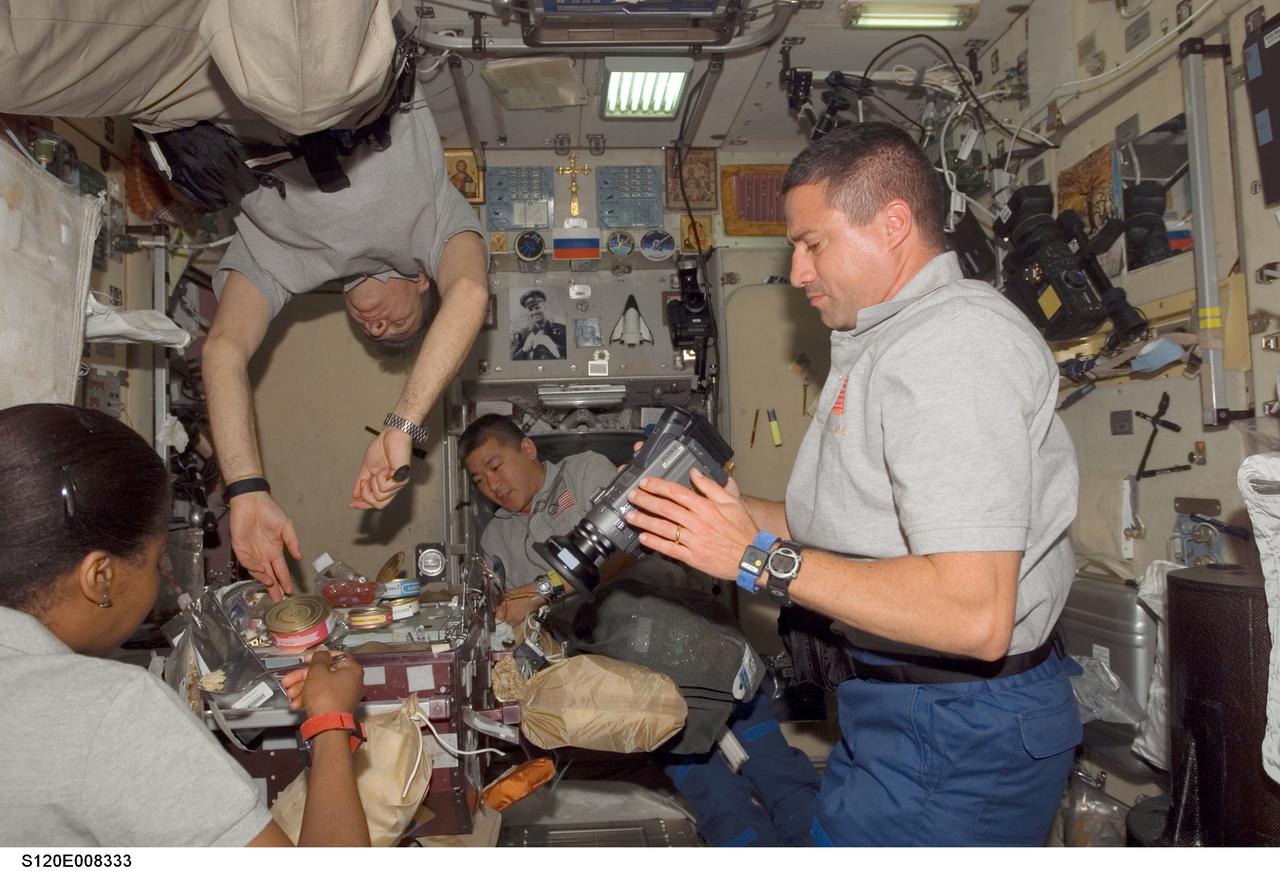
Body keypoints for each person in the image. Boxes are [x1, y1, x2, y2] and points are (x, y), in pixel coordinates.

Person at [625, 122, 1082, 846]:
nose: (798, 271)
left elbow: (974, 615)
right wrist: (710, 510)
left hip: (962, 730)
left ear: (893, 223)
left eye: (813, 243)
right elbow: (846, 524)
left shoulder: (950, 347)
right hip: (907, 712)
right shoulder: (888, 342)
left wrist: (754, 557)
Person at [0, 403, 369, 847]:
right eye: (158, 561)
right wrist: (330, 721)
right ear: (100, 577)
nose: (161, 579)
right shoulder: (111, 709)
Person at [460, 414, 819, 847]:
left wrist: (542, 589)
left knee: (776, 769)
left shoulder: (585, 470)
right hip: (632, 678)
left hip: (690, 638)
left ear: (528, 449)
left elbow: (621, 545)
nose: (492, 485)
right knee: (715, 798)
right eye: (479, 479)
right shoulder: (495, 539)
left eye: (495, 466)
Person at [204, 93, 489, 600]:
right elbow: (468, 291)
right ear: (422, 282)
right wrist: (401, 426)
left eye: (374, 334)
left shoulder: (279, 262)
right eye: (399, 322)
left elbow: (223, 349)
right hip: (352, 87)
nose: (377, 328)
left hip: (231, 105)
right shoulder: (436, 222)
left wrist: (245, 490)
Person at [510, 289, 567, 361]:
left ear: (545, 308)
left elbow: (574, 354)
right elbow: (513, 359)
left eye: (537, 308)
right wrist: (523, 350)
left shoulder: (562, 329)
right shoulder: (523, 333)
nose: (534, 312)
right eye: (530, 310)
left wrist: (555, 347)